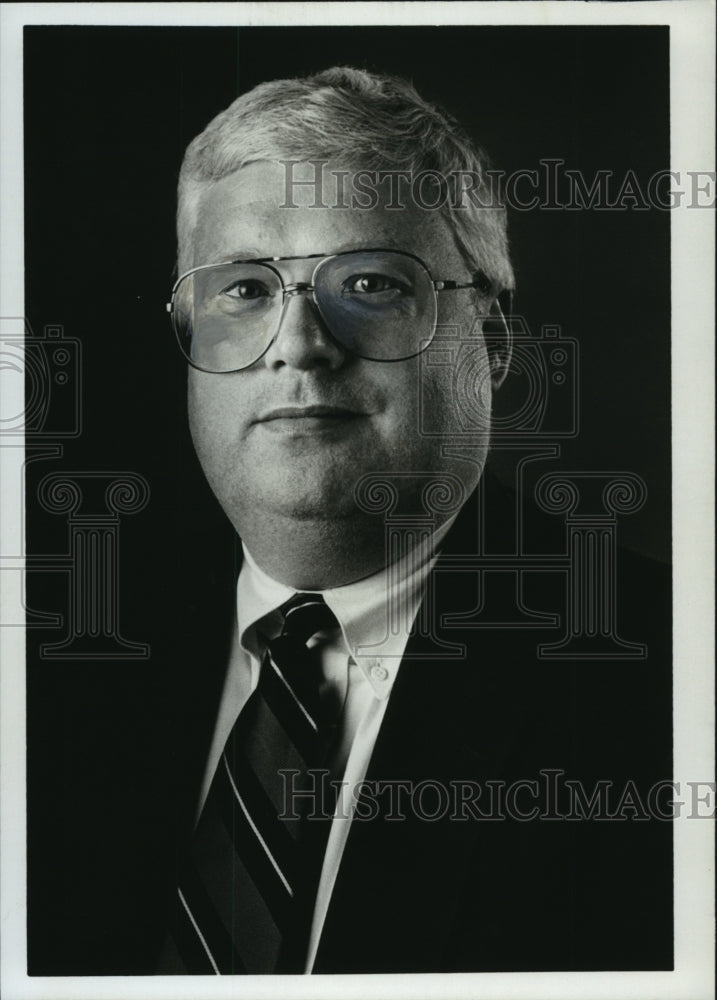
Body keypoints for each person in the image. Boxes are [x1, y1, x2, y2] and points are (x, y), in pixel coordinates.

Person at [26, 65, 671, 978]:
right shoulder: (49, 672)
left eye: (368, 282)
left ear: (491, 341)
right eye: (243, 289)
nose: (297, 342)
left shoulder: (667, 684)